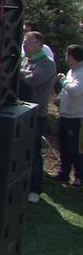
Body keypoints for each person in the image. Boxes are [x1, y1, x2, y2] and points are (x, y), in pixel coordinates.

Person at [20, 31, 57, 203]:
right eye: (24, 42)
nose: (24, 46)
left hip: (37, 114)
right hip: (21, 111)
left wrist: (18, 72)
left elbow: (32, 80)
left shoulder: (47, 64)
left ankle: (35, 188)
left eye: (28, 42)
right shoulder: (25, 61)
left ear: (38, 45)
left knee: (34, 151)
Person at [53, 44, 83, 187]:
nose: (65, 58)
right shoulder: (72, 71)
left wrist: (62, 80)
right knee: (64, 146)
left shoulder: (82, 72)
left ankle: (79, 178)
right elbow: (67, 90)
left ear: (71, 57)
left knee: (75, 149)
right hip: (66, 115)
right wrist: (59, 97)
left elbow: (75, 91)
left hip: (77, 118)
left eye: (67, 55)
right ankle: (63, 173)